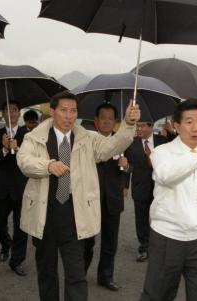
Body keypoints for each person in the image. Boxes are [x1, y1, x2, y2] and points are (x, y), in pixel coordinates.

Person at [17, 91, 140, 301]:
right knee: (47, 273)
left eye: (73, 111)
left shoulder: (87, 138)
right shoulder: (34, 137)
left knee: (76, 275)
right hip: (44, 215)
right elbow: (24, 162)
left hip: (75, 216)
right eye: (63, 110)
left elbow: (111, 147)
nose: (69, 115)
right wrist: (47, 165)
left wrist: (128, 124)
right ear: (53, 112)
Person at [139, 100, 197, 301]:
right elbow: (167, 176)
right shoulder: (162, 153)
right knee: (157, 295)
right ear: (176, 125)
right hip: (167, 238)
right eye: (189, 122)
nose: (196, 128)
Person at [83, 103, 129, 291]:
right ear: (96, 121)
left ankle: (106, 276)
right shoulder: (87, 142)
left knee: (110, 241)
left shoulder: (122, 142)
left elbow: (130, 168)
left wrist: (125, 166)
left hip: (112, 200)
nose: (107, 121)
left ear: (116, 123)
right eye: (103, 118)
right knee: (86, 241)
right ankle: (80, 274)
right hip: (90, 200)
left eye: (111, 118)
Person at [0, 101, 30, 277]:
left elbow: (32, 160)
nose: (11, 113)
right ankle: (6, 244)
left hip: (22, 188)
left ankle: (17, 261)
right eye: (7, 110)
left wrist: (17, 148)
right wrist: (5, 149)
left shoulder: (28, 135)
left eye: (14, 110)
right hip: (2, 188)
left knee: (21, 227)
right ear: (2, 114)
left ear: (19, 113)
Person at [123, 120, 168, 262]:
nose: (139, 128)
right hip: (140, 186)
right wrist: (125, 184)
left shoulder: (163, 140)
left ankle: (159, 247)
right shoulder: (131, 143)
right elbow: (129, 166)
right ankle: (144, 247)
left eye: (142, 125)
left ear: (151, 126)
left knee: (159, 218)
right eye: (137, 125)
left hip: (160, 188)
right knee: (141, 219)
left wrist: (171, 131)